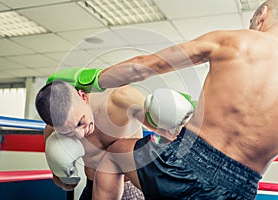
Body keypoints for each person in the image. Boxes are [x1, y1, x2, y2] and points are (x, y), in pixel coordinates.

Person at [67, 0, 278, 199]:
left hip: (182, 164)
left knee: (112, 156)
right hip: (239, 190)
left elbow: (140, 67)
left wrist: (92, 81)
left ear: (262, 16)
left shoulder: (235, 41)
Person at [35, 79, 195, 199]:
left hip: (131, 188)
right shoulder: (52, 131)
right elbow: (64, 183)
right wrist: (65, 175)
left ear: (83, 96)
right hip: (92, 189)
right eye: (68, 132)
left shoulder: (119, 100)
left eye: (80, 122)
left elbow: (170, 133)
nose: (79, 134)